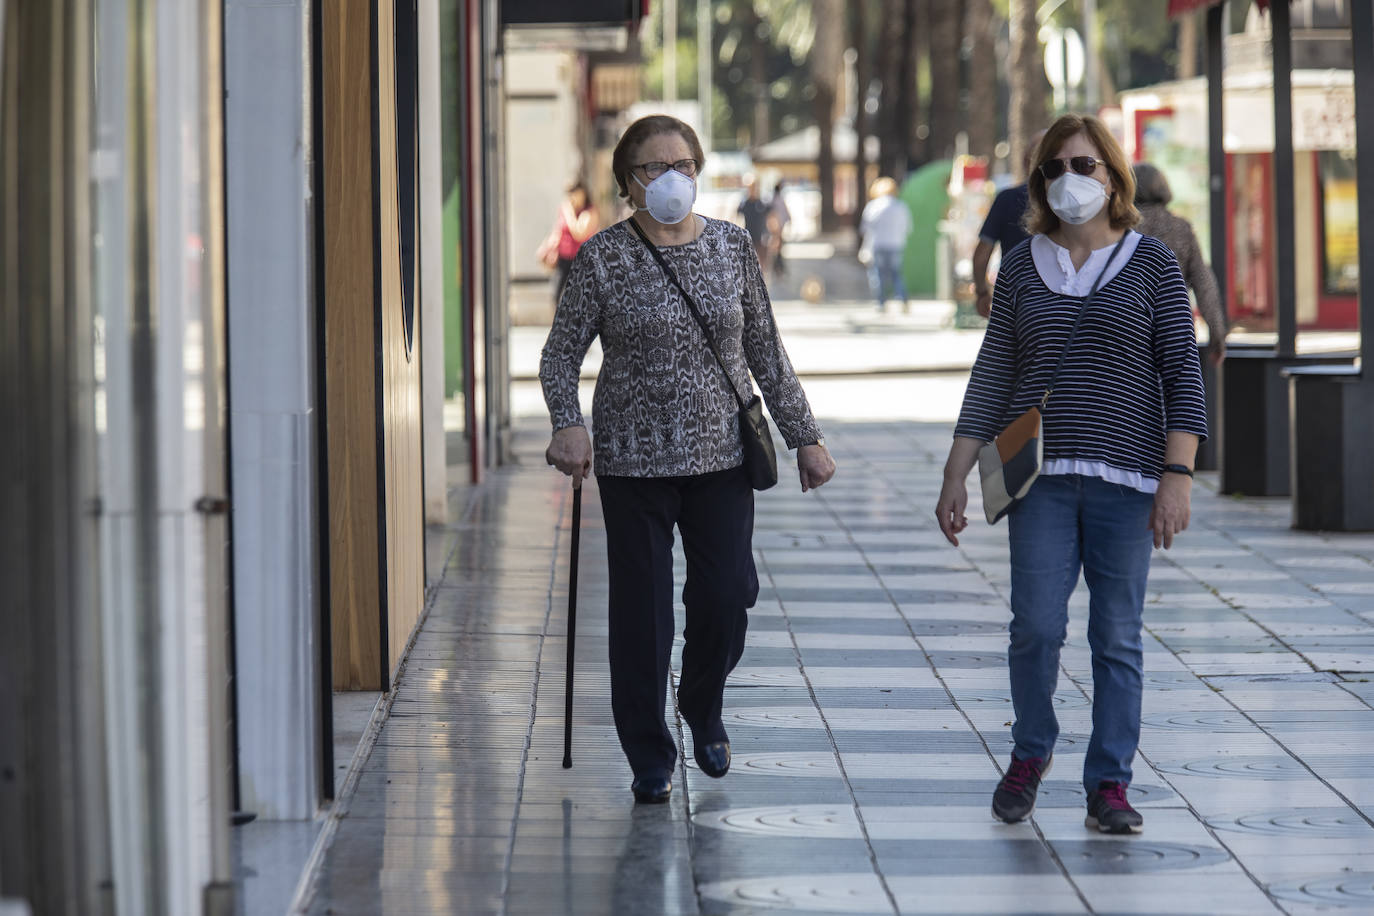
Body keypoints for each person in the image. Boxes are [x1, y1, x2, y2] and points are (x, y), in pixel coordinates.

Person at [540, 115, 837, 805]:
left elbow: (764, 350)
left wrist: (806, 436)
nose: (671, 177)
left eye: (683, 164)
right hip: (632, 461)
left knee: (726, 597)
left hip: (722, 458)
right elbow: (560, 355)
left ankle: (702, 704)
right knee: (642, 616)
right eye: (653, 167)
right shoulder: (603, 258)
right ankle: (649, 752)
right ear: (627, 183)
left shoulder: (733, 249)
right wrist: (568, 425)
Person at [934, 114, 1207, 835]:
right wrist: (956, 473)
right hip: (1039, 480)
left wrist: (1177, 477)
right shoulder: (1023, 263)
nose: (1071, 181)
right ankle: (1031, 753)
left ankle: (1109, 784)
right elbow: (994, 372)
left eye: (1085, 166)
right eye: (1055, 168)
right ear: (1039, 182)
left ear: (1114, 177)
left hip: (1129, 480)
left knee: (1117, 637)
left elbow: (1182, 374)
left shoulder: (1151, 263)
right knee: (1036, 627)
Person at [1132, 163, 1228, 364]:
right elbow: (1204, 284)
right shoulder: (1181, 229)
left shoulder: (1122, 228)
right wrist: (1217, 335)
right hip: (1175, 324)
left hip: (1131, 324)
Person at [971, 129, 1046, 318]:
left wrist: (982, 293)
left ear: (1025, 161)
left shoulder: (1007, 199)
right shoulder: (1075, 206)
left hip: (1014, 301)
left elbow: (981, 255)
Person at [538, 181, 599, 308]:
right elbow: (558, 230)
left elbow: (579, 233)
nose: (572, 198)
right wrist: (548, 247)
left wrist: (569, 213)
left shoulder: (588, 211)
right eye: (569, 194)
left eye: (574, 194)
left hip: (581, 261)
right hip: (563, 259)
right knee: (556, 296)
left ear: (582, 193)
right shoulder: (564, 209)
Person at [859, 177, 912, 313]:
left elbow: (865, 229)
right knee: (896, 274)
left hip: (878, 244)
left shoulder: (873, 206)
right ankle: (902, 297)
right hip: (896, 244)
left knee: (878, 274)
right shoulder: (901, 207)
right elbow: (907, 228)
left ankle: (881, 302)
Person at [736, 176, 772, 270]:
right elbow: (736, 219)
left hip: (761, 238)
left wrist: (773, 235)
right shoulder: (744, 203)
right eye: (750, 187)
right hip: (748, 238)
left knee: (762, 263)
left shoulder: (763, 202)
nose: (752, 189)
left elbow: (771, 218)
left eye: (754, 186)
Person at [767, 180, 791, 278]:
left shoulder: (773, 200)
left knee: (777, 248)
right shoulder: (776, 200)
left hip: (776, 227)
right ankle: (778, 268)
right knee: (776, 248)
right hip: (776, 227)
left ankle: (778, 268)